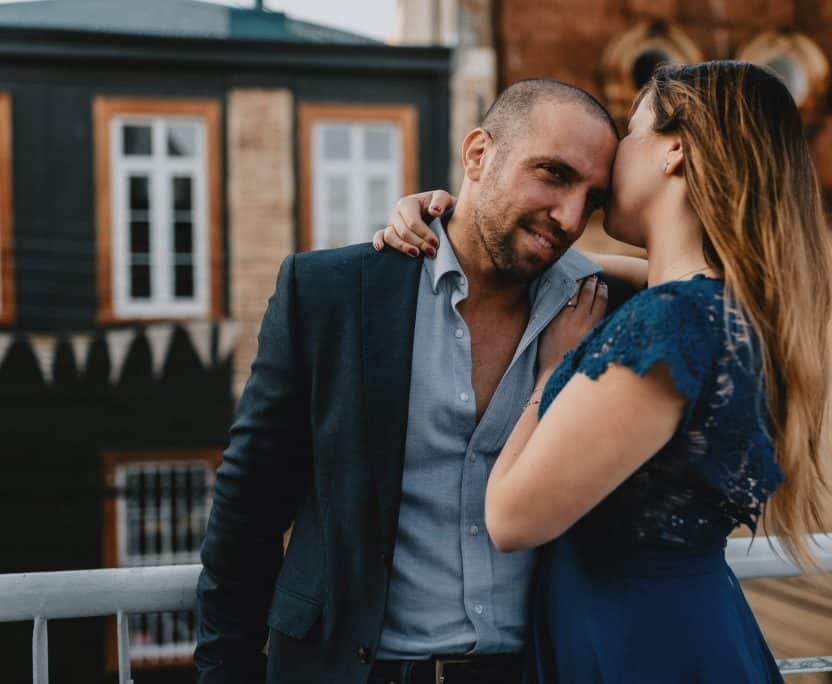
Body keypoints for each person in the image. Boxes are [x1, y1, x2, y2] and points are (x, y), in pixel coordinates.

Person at [376, 60, 832, 682]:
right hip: (686, 631)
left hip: (636, 647)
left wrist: (554, 372)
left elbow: (511, 518)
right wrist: (456, 222)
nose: (615, 160)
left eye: (632, 133)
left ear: (675, 151)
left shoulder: (671, 323)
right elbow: (612, 270)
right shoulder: (732, 308)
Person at [193, 79, 626, 684]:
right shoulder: (330, 293)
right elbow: (247, 508)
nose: (572, 217)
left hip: (535, 669)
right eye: (553, 174)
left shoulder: (601, 307)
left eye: (595, 199)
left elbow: (739, 277)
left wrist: (590, 264)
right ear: (478, 155)